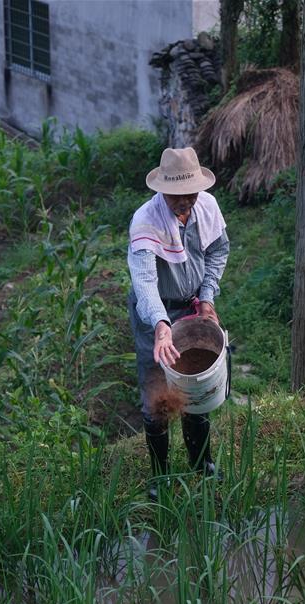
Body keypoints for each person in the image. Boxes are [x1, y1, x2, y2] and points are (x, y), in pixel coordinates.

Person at [127, 146, 230, 499]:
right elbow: (144, 281)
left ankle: (202, 463)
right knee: (158, 388)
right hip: (154, 313)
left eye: (190, 193)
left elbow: (218, 251)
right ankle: (159, 477)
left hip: (192, 306)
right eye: (176, 195)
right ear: (162, 191)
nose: (184, 200)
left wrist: (207, 297)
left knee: (195, 381)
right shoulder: (146, 221)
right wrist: (159, 324)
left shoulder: (207, 208)